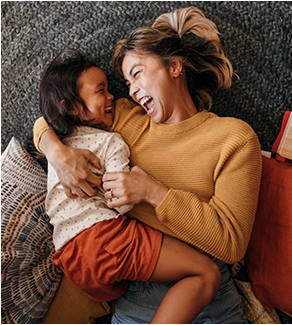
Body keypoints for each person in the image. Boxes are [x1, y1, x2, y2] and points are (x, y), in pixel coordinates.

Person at [34, 6, 262, 324]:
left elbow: (231, 243)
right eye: (126, 82)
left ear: (175, 67)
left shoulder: (233, 138)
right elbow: (53, 115)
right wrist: (57, 152)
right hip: (134, 295)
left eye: (137, 73)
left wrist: (154, 192)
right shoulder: (125, 118)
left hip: (207, 301)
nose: (129, 90)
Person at [39, 47, 222, 324]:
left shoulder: (59, 149)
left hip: (68, 258)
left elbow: (44, 124)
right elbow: (121, 202)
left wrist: (52, 147)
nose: (114, 95)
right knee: (206, 274)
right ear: (73, 107)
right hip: (105, 240)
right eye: (101, 91)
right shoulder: (109, 142)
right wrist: (146, 186)